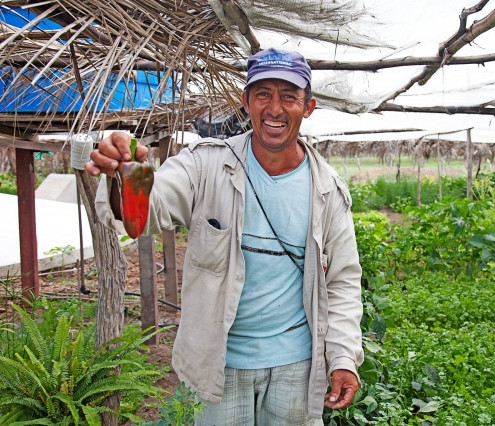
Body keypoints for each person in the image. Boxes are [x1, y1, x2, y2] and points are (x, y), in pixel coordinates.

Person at [85, 47, 364, 425]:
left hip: (296, 364)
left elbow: (342, 280)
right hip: (221, 361)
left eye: (289, 96)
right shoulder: (205, 164)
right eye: (263, 94)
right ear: (246, 102)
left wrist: (343, 357)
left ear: (308, 107)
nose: (275, 109)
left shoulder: (327, 188)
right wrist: (130, 174)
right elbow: (146, 213)